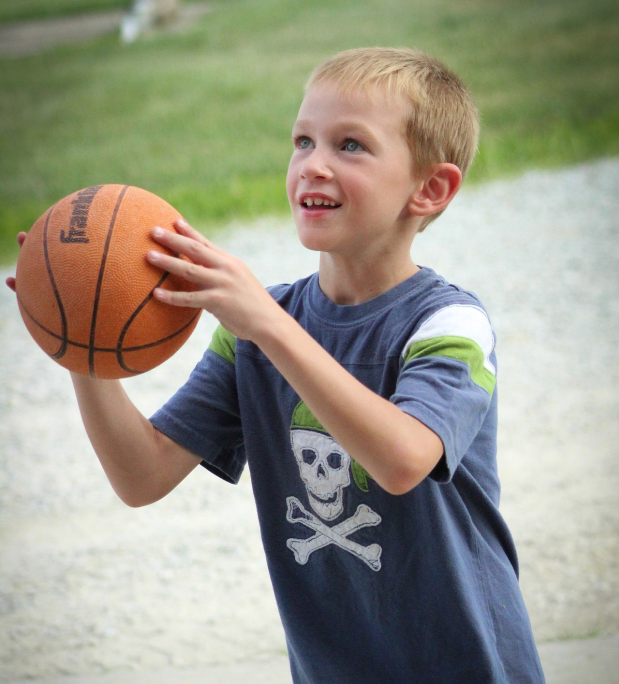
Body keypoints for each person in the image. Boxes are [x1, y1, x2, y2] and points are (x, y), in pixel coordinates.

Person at [7, 47, 545, 683]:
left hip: (466, 666)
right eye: (302, 141)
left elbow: (404, 461)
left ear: (429, 189)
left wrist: (264, 322)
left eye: (350, 146)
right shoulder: (258, 329)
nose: (313, 164)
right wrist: (83, 344)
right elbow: (141, 475)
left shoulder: (447, 325)